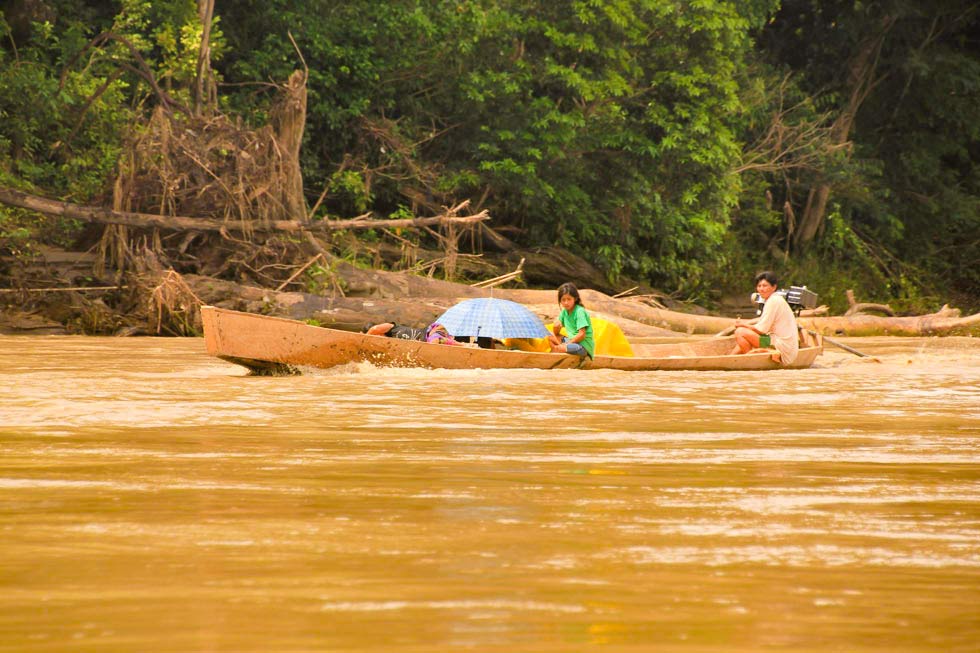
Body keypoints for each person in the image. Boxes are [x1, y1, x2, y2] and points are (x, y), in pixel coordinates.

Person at [729, 271, 799, 365]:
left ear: (774, 287)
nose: (761, 289)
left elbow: (761, 330)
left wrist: (742, 325)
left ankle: (753, 362)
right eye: (759, 286)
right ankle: (730, 358)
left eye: (765, 286)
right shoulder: (774, 299)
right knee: (743, 338)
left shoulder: (773, 301)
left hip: (782, 347)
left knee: (740, 332)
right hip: (777, 342)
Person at [548, 282, 594, 358]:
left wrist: (567, 344)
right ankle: (558, 350)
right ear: (560, 301)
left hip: (582, 346)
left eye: (569, 299)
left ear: (575, 299)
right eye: (563, 300)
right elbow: (556, 333)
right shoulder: (564, 312)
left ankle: (557, 350)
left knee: (560, 348)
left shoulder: (579, 311)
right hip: (571, 343)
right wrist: (556, 327)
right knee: (549, 335)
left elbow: (582, 335)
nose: (566, 303)